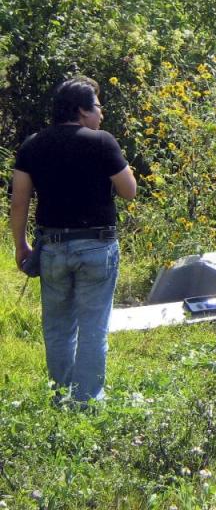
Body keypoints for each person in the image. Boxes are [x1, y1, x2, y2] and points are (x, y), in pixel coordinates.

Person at [9, 76, 136, 404]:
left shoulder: (32, 146)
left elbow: (19, 201)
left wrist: (20, 244)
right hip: (97, 246)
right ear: (81, 111)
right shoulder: (103, 142)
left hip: (52, 247)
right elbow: (129, 190)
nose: (101, 114)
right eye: (97, 107)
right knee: (94, 329)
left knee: (58, 328)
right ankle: (87, 401)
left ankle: (61, 397)